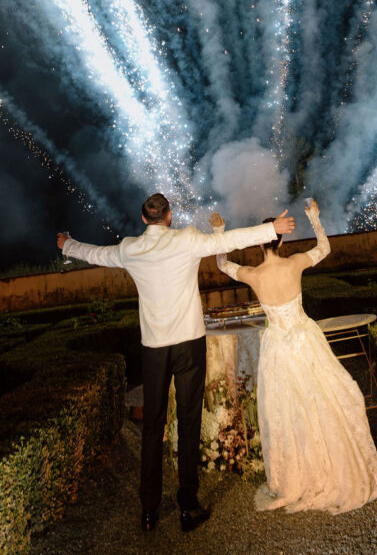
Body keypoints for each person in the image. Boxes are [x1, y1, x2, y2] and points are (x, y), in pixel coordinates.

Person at [56, 194, 295, 533]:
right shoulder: (187, 239)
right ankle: (187, 505)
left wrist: (67, 245)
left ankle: (149, 511)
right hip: (188, 345)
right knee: (189, 421)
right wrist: (272, 229)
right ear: (169, 215)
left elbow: (96, 254)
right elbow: (228, 240)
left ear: (144, 219)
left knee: (152, 428)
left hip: (154, 349)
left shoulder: (130, 248)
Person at [213, 198, 377, 515]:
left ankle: (299, 473)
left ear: (258, 242)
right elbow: (324, 248)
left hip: (278, 348)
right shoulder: (294, 263)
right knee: (324, 399)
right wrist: (314, 217)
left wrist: (219, 232)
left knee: (287, 410)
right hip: (306, 340)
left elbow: (222, 264)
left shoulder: (252, 274)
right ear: (280, 241)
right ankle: (333, 467)